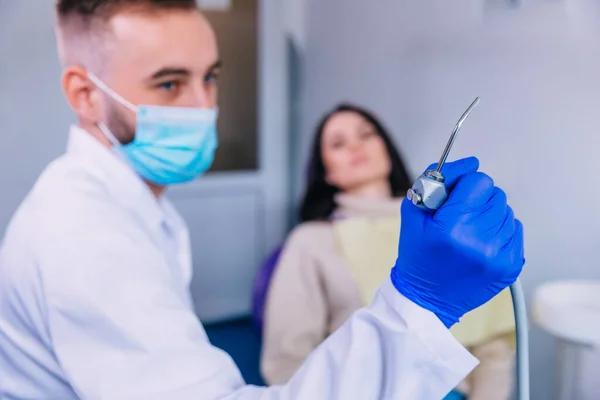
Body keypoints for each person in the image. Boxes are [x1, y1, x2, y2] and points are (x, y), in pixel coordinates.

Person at [0, 1, 524, 399]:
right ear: (86, 95)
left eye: (210, 78)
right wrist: (421, 307)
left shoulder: (133, 207)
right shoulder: (84, 236)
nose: (205, 107)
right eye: (169, 84)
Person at [260, 104, 516, 400]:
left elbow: (492, 342)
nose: (356, 146)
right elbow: (287, 361)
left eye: (367, 134)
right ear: (325, 171)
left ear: (386, 147)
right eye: (338, 143)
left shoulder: (442, 228)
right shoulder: (311, 241)